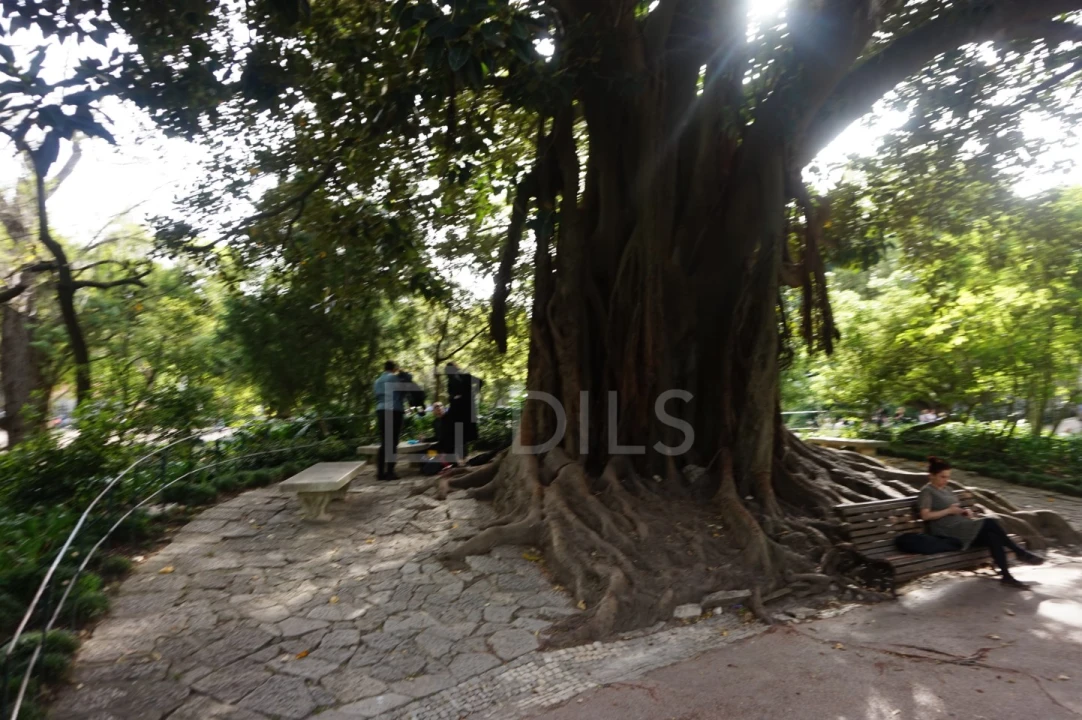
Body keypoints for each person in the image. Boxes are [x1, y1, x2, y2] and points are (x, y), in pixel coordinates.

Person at [917, 456, 1043, 588]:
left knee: (992, 537)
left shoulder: (948, 489)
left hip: (962, 527)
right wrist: (948, 511)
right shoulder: (927, 492)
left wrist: (963, 512)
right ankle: (1019, 552)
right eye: (942, 477)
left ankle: (1007, 576)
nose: (946, 480)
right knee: (989, 522)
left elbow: (953, 509)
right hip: (947, 532)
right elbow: (925, 516)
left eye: (948, 477)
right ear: (931, 476)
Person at [373, 360, 405, 481]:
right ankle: (390, 471)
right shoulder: (395, 378)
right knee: (393, 442)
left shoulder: (377, 381)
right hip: (394, 410)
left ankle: (380, 472)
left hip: (381, 410)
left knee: (384, 442)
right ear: (394, 368)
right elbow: (403, 391)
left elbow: (376, 395)